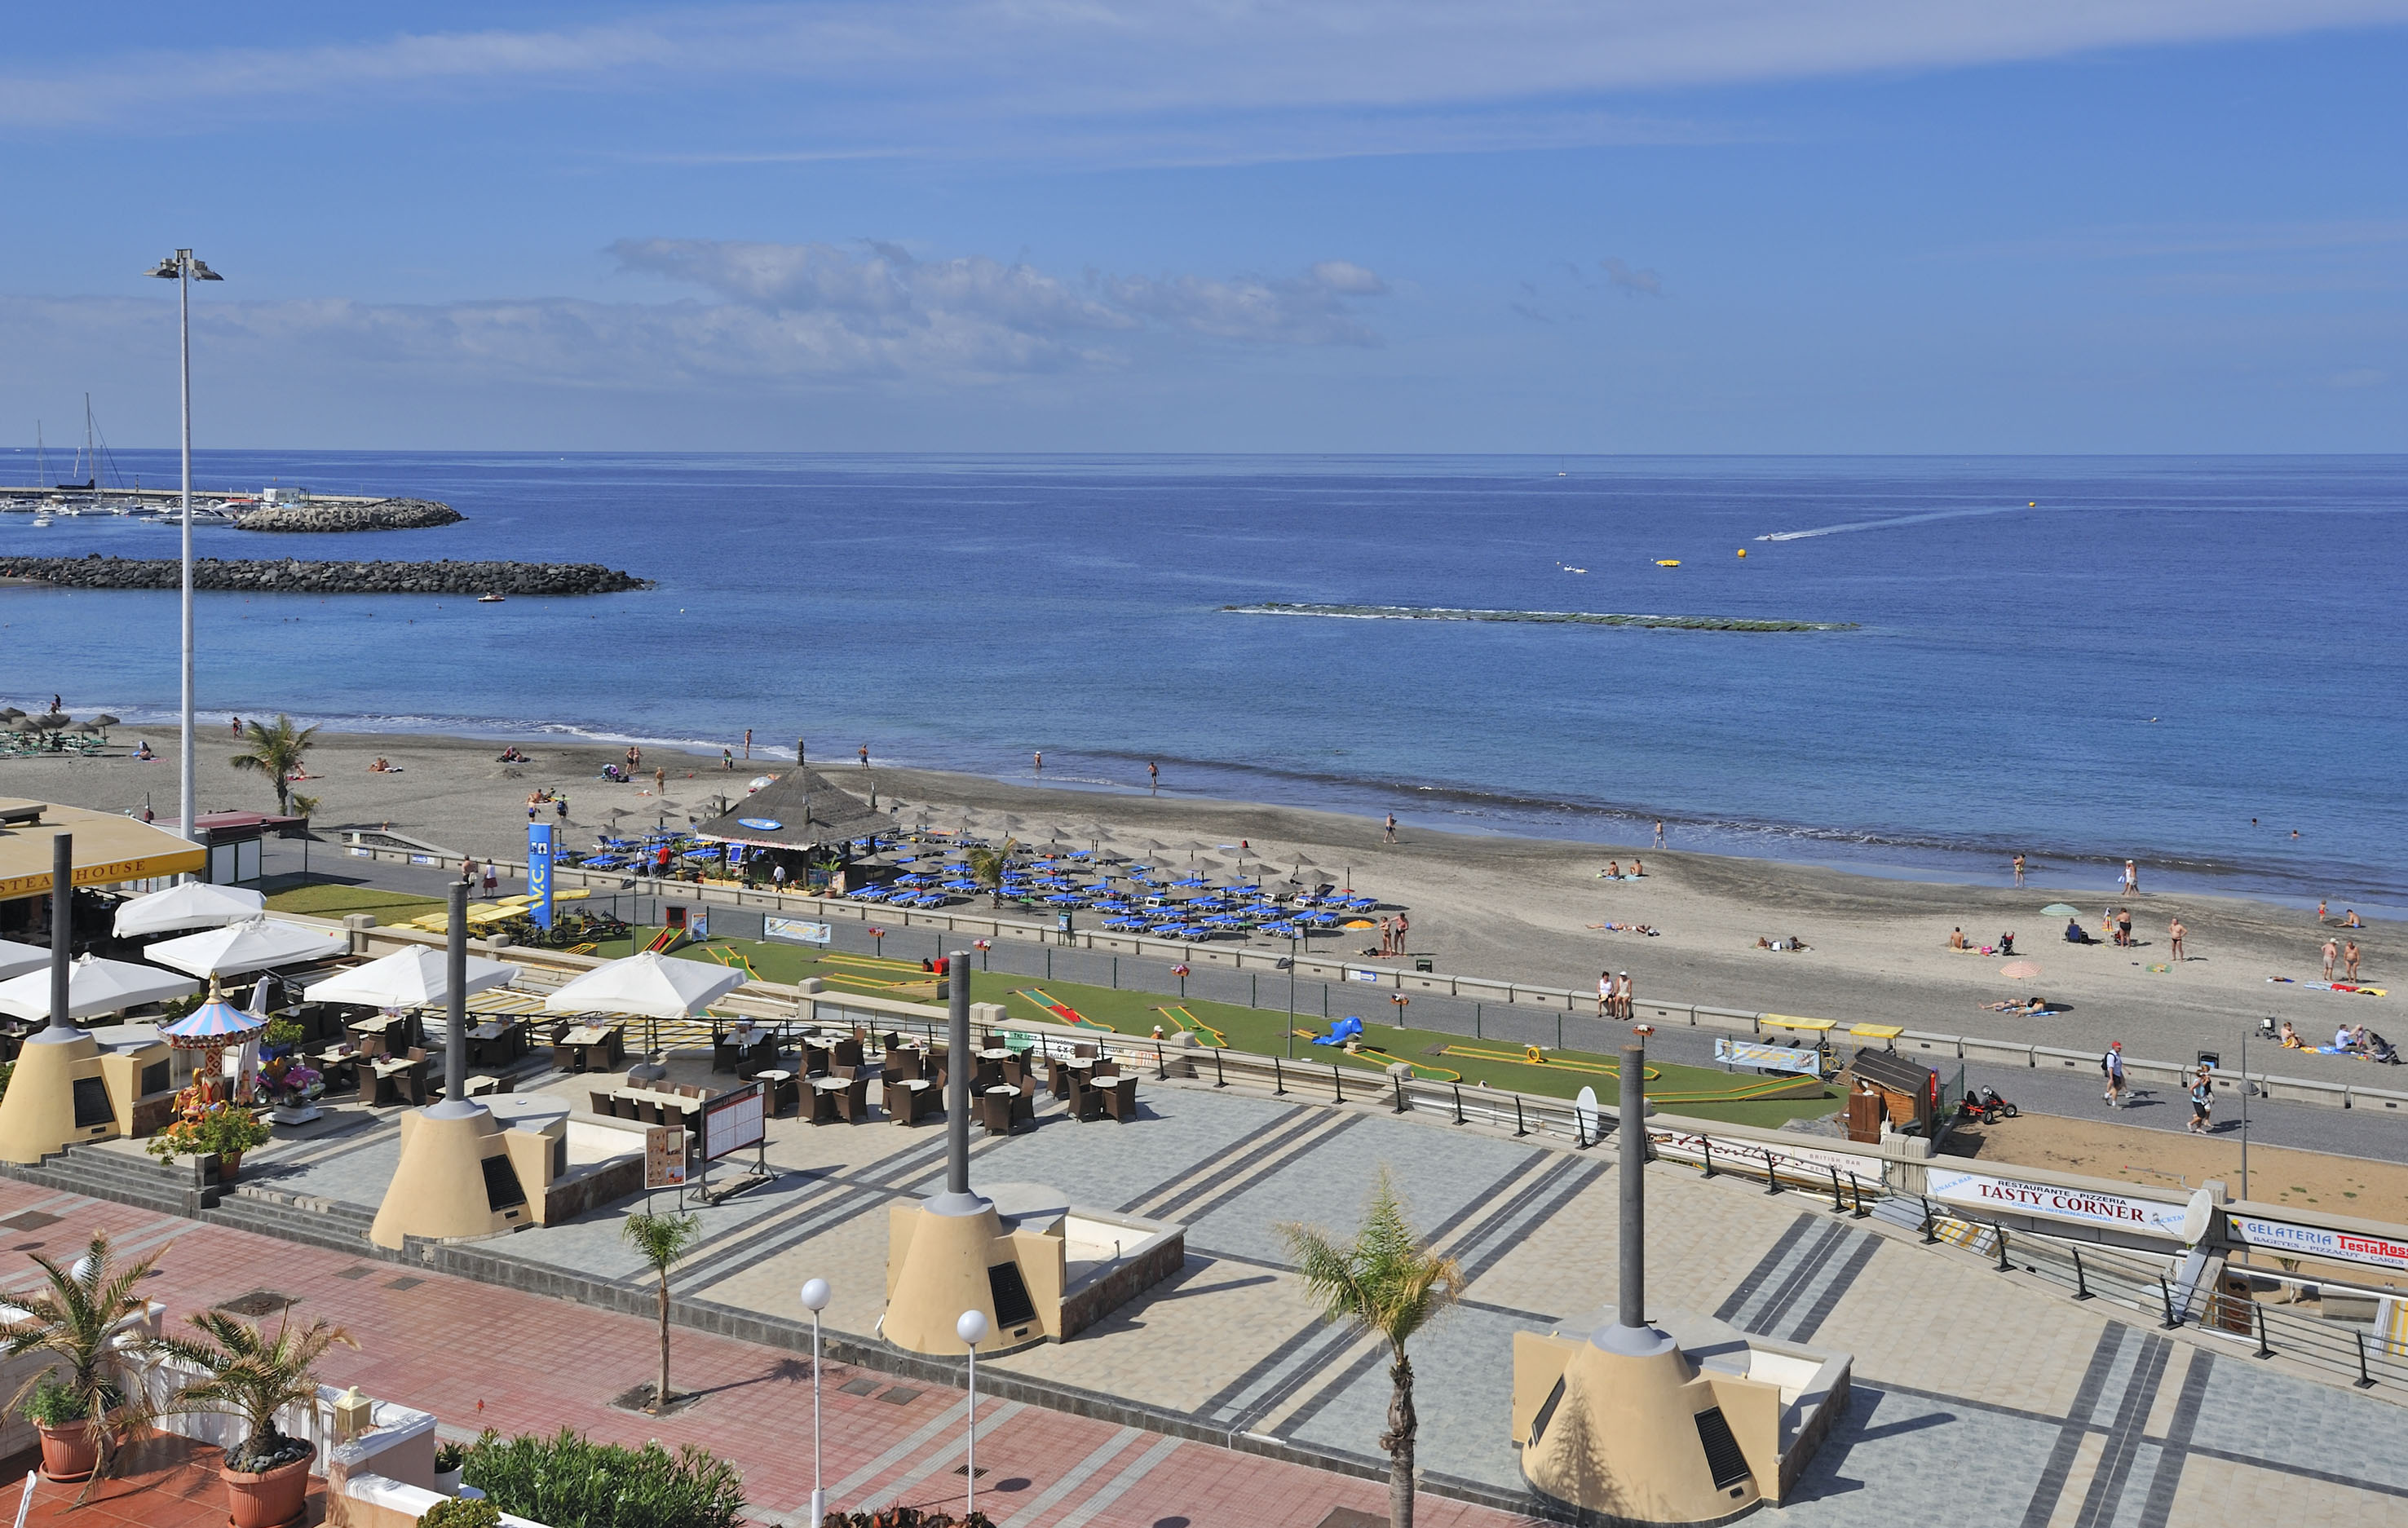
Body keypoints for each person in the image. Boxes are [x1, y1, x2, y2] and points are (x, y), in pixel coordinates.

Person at [2189, 1067, 2212, 1133]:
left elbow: (2202, 1086)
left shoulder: (2199, 1081)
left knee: (2203, 1113)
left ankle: (2199, 1128)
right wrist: (2195, 1095)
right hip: (2197, 1100)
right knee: (2202, 1115)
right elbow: (2191, 1088)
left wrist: (2206, 1080)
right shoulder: (2198, 1082)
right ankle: (2191, 1123)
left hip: (2201, 1099)